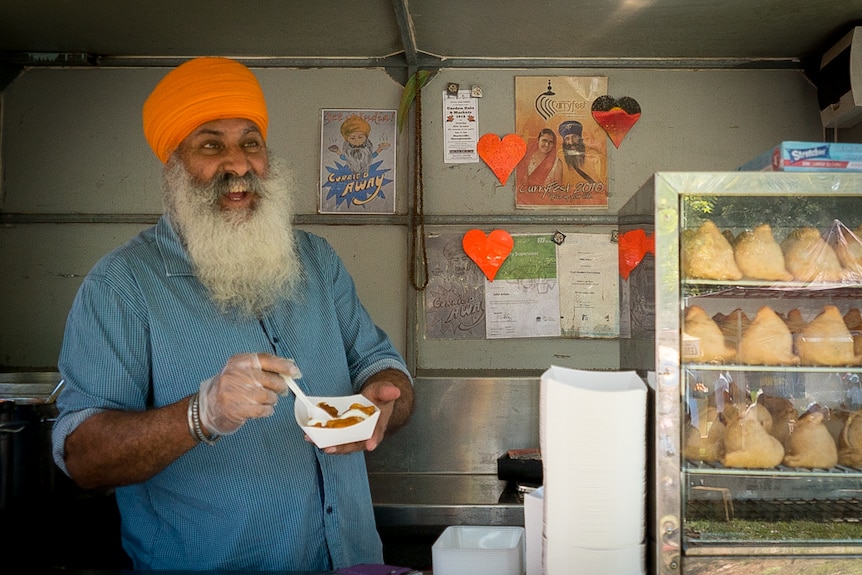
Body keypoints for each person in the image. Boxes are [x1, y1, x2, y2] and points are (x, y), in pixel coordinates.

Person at [51, 57, 414, 572]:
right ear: (172, 164)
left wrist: (384, 402)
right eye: (210, 145)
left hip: (353, 562)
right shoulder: (121, 287)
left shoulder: (316, 259)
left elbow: (382, 367)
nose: (238, 165)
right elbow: (83, 459)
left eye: (251, 143)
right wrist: (201, 414)